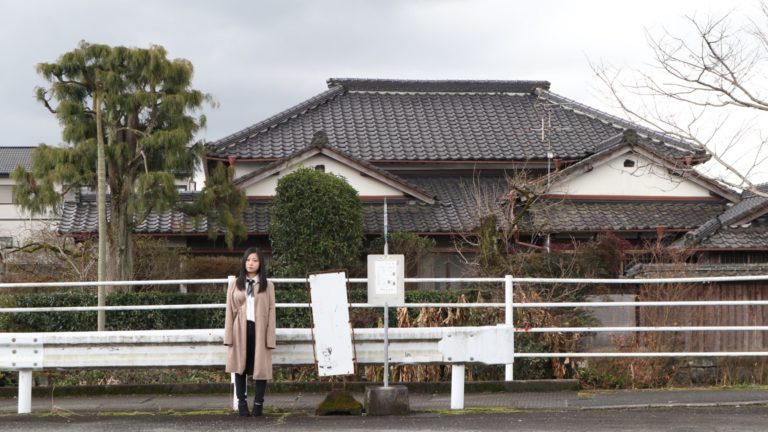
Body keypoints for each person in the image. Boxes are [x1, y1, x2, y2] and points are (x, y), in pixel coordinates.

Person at [224, 247, 276, 417]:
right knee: (240, 367)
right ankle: (242, 403)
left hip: (259, 329)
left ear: (260, 263)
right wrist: (228, 336)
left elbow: (271, 311)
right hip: (240, 329)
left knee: (260, 367)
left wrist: (270, 338)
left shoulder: (268, 285)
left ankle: (259, 404)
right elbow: (229, 311)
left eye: (254, 260)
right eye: (248, 260)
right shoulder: (235, 284)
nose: (250, 263)